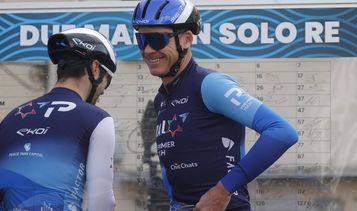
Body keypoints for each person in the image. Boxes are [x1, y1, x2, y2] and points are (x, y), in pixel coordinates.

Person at [131, 0, 299, 211]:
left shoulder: (210, 84)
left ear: (186, 39)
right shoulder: (161, 99)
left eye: (157, 39)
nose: (147, 50)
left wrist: (223, 190)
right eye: (141, 39)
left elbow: (282, 132)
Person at [0, 28, 117, 211]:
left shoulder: (12, 117)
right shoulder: (98, 119)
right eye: (107, 82)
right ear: (95, 68)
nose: (103, 90)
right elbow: (102, 201)